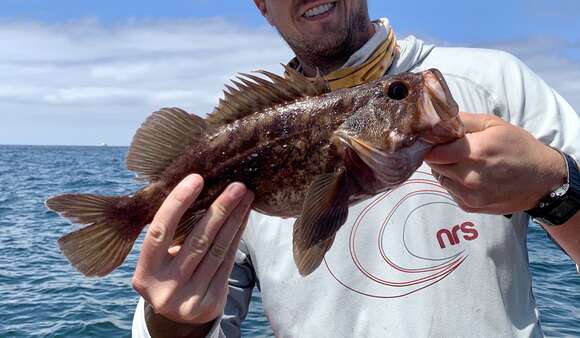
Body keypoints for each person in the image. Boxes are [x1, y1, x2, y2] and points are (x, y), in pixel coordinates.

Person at [131, 1, 580, 337]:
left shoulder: (497, 80)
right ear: (262, 5)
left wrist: (558, 188)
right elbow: (184, 322)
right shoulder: (243, 142)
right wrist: (174, 316)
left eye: (399, 92)